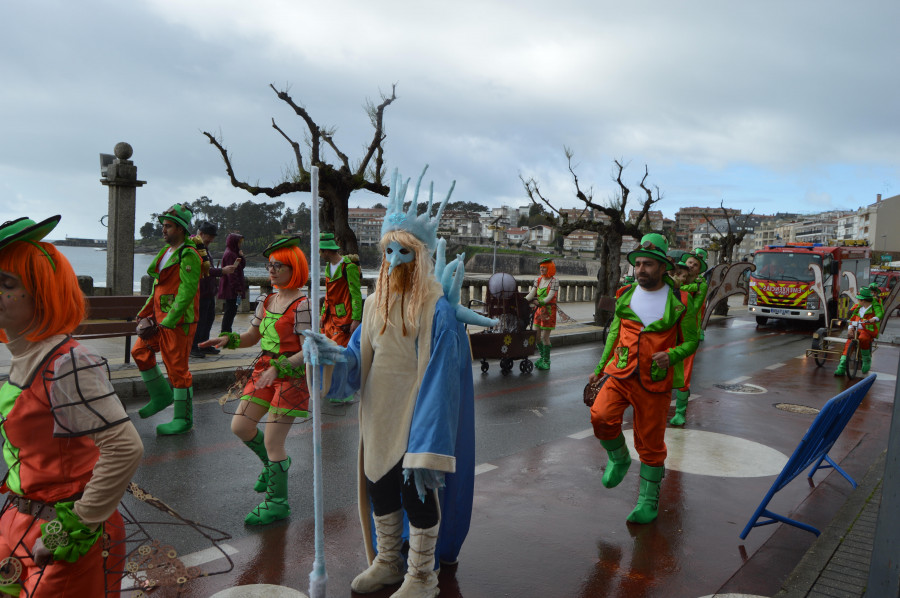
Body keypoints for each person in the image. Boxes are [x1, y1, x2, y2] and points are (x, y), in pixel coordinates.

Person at [305, 169, 476, 598]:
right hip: (378, 414)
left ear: (421, 256)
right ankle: (387, 561)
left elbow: (442, 377)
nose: (395, 261)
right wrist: (329, 353)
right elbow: (357, 360)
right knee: (379, 486)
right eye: (389, 252)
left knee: (417, 495)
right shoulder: (373, 304)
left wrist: (428, 438)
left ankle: (422, 576)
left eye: (405, 253)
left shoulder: (436, 309)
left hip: (417, 415)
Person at [0, 215, 144, 596]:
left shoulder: (68, 363)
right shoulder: (25, 356)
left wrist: (75, 526)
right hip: (18, 521)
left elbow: (125, 448)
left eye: (7, 284)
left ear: (41, 294)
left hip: (65, 535)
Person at [587, 233, 699, 524]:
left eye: (648, 264)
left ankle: (648, 501)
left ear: (664, 267)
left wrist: (672, 355)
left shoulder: (682, 300)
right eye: (638, 264)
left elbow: (692, 342)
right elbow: (614, 332)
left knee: (650, 443)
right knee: (600, 416)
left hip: (655, 380)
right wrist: (600, 367)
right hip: (620, 372)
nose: (641, 270)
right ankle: (619, 458)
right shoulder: (625, 293)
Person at [201, 237, 311, 525]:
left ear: (295, 268)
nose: (271, 270)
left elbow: (309, 350)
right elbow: (252, 337)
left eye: (278, 266)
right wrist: (228, 339)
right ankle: (274, 465)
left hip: (290, 375)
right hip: (264, 368)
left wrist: (281, 368)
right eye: (269, 265)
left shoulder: (303, 305)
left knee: (274, 441)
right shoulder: (267, 299)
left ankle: (277, 502)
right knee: (241, 426)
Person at [132, 203, 202, 436]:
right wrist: (144, 311)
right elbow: (157, 288)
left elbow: (187, 291)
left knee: (177, 369)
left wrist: (171, 319)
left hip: (177, 322)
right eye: (163, 226)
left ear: (181, 229)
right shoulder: (165, 253)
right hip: (159, 318)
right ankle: (161, 395)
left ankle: (183, 419)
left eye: (169, 226)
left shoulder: (188, 253)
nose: (164, 230)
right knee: (139, 352)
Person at [669, 249, 708, 426]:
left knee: (684, 373)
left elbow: (692, 309)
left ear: (699, 269)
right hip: (669, 330)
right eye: (690, 262)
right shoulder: (673, 282)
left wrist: (679, 287)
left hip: (688, 332)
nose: (691, 266)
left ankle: (680, 412)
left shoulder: (701, 284)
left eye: (695, 265)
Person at [190, 222, 238, 358]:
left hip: (208, 290)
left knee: (208, 319)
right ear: (201, 234)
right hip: (200, 291)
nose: (211, 240)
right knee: (199, 321)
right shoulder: (193, 247)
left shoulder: (203, 247)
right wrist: (222, 271)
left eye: (213, 237)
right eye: (210, 236)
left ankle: (204, 345)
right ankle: (194, 347)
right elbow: (201, 269)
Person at [319, 232, 362, 347]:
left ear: (326, 251)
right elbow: (328, 294)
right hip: (329, 319)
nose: (320, 255)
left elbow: (356, 294)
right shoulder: (328, 267)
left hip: (343, 319)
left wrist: (356, 319)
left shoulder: (348, 267)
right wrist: (322, 315)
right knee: (326, 352)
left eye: (320, 251)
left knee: (340, 354)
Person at [834, 287, 879, 376]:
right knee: (849, 342)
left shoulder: (874, 309)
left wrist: (873, 319)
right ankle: (842, 367)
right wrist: (850, 328)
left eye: (860, 300)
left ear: (864, 300)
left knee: (863, 338)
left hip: (867, 330)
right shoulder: (858, 308)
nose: (858, 301)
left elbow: (878, 317)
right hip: (856, 329)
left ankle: (866, 360)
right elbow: (852, 319)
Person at [524, 257, 559, 370]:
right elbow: (532, 292)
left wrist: (539, 301)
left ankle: (546, 361)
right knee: (537, 336)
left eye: (544, 268)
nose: (542, 270)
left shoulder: (554, 281)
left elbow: (550, 296)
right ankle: (542, 357)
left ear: (549, 268)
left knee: (545, 337)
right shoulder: (538, 280)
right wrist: (524, 300)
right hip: (539, 310)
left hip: (549, 311)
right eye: (541, 268)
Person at [218, 233, 246, 334]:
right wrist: (237, 288)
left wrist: (241, 256)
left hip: (231, 288)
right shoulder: (230, 254)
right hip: (230, 289)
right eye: (239, 242)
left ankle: (226, 332)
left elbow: (241, 266)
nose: (240, 244)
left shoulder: (233, 253)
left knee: (231, 311)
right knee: (230, 312)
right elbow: (232, 274)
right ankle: (225, 332)